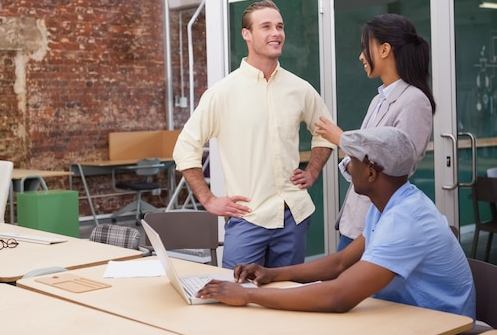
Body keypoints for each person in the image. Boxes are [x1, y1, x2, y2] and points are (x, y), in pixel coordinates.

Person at [196, 127, 475, 320]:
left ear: (371, 171)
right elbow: (340, 263)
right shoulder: (390, 205)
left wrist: (247, 297)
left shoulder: (405, 219)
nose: (347, 167)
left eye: (351, 161)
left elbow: (340, 297)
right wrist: (271, 273)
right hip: (405, 316)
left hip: (441, 325)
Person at [173, 0, 335, 269]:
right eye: (266, 26)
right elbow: (185, 148)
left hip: (293, 217)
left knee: (289, 298)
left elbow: (327, 132)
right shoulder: (223, 93)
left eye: (280, 27)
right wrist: (208, 199)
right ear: (246, 34)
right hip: (248, 219)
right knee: (238, 298)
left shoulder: (300, 89)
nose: (276, 33)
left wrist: (313, 171)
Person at [315, 13, 436, 250]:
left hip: (379, 224)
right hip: (356, 221)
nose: (361, 56)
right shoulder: (378, 99)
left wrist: (342, 139)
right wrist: (356, 156)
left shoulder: (414, 100)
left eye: (365, 47)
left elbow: (401, 162)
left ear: (384, 50)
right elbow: (359, 159)